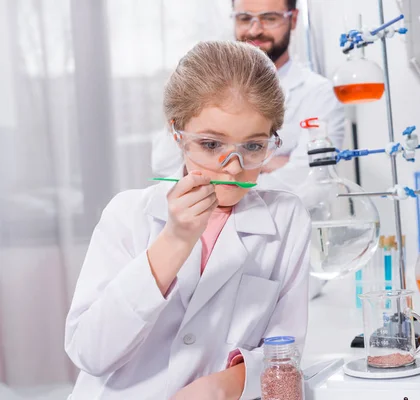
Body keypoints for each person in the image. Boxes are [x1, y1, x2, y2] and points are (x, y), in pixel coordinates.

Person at [65, 41, 311, 400]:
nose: (234, 166)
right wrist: (175, 241)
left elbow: (285, 355)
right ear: (178, 133)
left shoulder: (286, 219)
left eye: (254, 146)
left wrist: (224, 386)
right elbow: (91, 353)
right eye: (212, 145)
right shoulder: (127, 215)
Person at [151, 0, 346, 193]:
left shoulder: (320, 94)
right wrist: (265, 160)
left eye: (269, 18)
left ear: (293, 19)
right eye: (244, 19)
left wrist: (217, 166)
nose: (254, 30)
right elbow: (165, 165)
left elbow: (308, 182)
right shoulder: (205, 83)